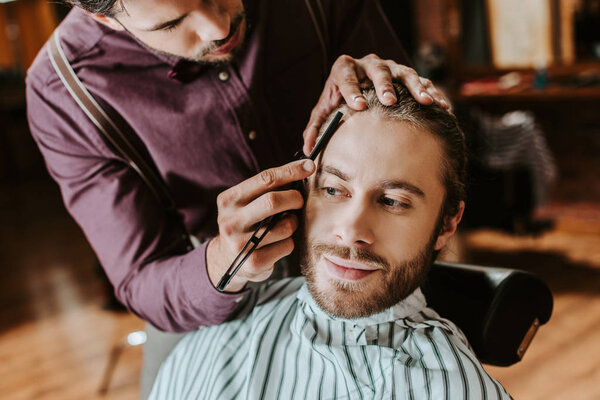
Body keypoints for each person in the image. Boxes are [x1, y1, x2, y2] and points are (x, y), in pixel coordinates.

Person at [26, 0, 448, 333]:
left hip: (381, 270)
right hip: (211, 307)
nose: (219, 26)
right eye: (171, 24)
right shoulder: (63, 92)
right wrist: (222, 261)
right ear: (97, 14)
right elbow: (140, 278)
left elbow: (425, 139)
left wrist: (379, 90)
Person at [148, 84, 512, 399]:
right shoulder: (226, 321)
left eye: (393, 201)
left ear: (448, 223)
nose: (351, 230)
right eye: (334, 189)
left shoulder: (446, 387)